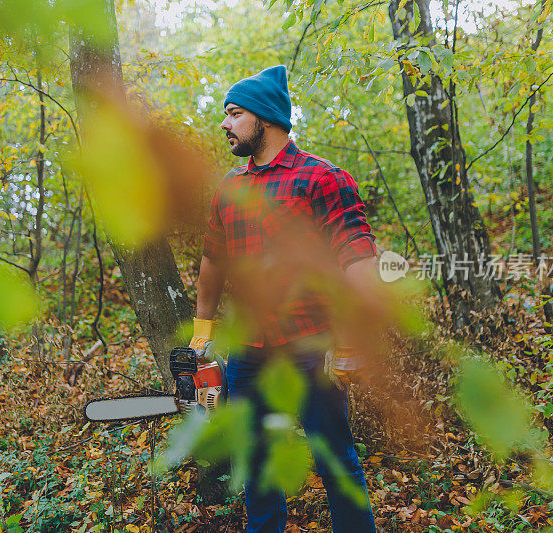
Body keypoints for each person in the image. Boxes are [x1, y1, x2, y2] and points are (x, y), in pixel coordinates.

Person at [189, 65, 377, 533]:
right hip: (250, 353)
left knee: (335, 458)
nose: (225, 124)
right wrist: (202, 331)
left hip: (313, 346)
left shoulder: (322, 179)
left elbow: (359, 262)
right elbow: (212, 263)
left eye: (234, 114)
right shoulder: (230, 187)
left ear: (266, 119)